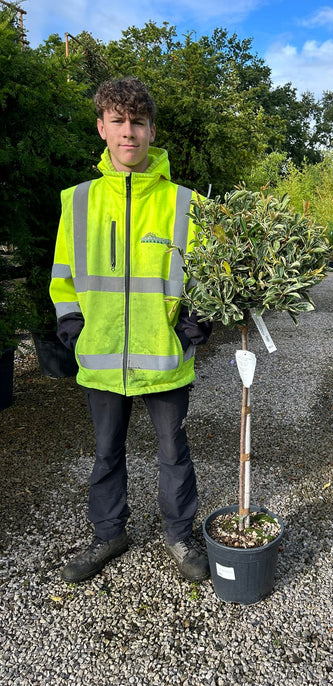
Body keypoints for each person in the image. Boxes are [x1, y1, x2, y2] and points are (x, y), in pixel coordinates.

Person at [50, 77, 212, 584]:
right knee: (105, 452)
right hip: (99, 354)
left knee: (173, 451)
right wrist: (71, 322)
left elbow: (207, 275)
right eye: (117, 122)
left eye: (137, 123)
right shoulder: (76, 201)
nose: (128, 133)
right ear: (102, 128)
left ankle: (180, 537)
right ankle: (108, 535)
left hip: (163, 354)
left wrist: (199, 319)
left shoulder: (186, 204)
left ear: (151, 130)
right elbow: (62, 275)